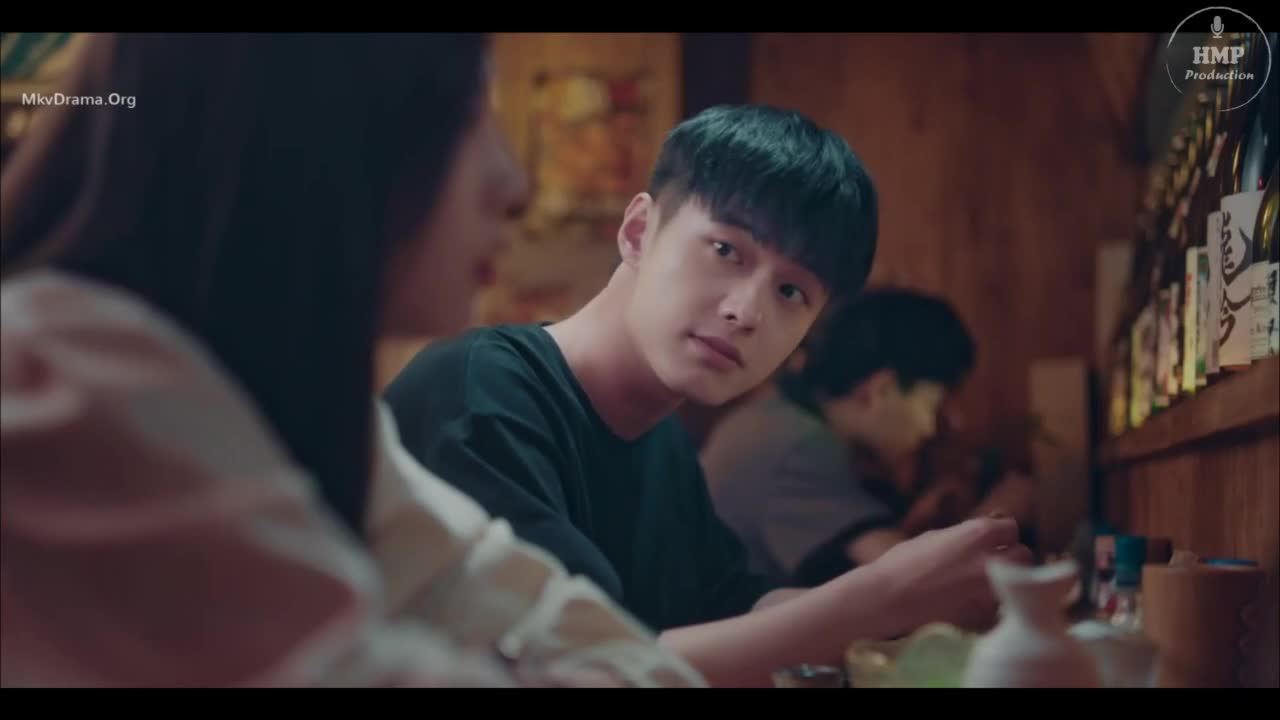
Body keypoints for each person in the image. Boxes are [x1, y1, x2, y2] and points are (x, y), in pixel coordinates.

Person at [0, 33, 705, 688]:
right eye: (465, 116)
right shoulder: (66, 389)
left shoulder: (289, 411)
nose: (513, 185)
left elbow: (563, 623)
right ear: (313, 127)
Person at [383, 104, 1033, 687]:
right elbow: (582, 666)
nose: (747, 311)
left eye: (791, 292)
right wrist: (882, 595)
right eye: (726, 249)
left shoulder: (662, 438)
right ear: (639, 232)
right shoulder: (478, 394)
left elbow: (739, 610)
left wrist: (922, 608)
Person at [701, 287, 1031, 589]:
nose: (933, 428)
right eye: (932, 405)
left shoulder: (775, 417)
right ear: (880, 390)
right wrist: (996, 515)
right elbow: (915, 584)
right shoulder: (797, 444)